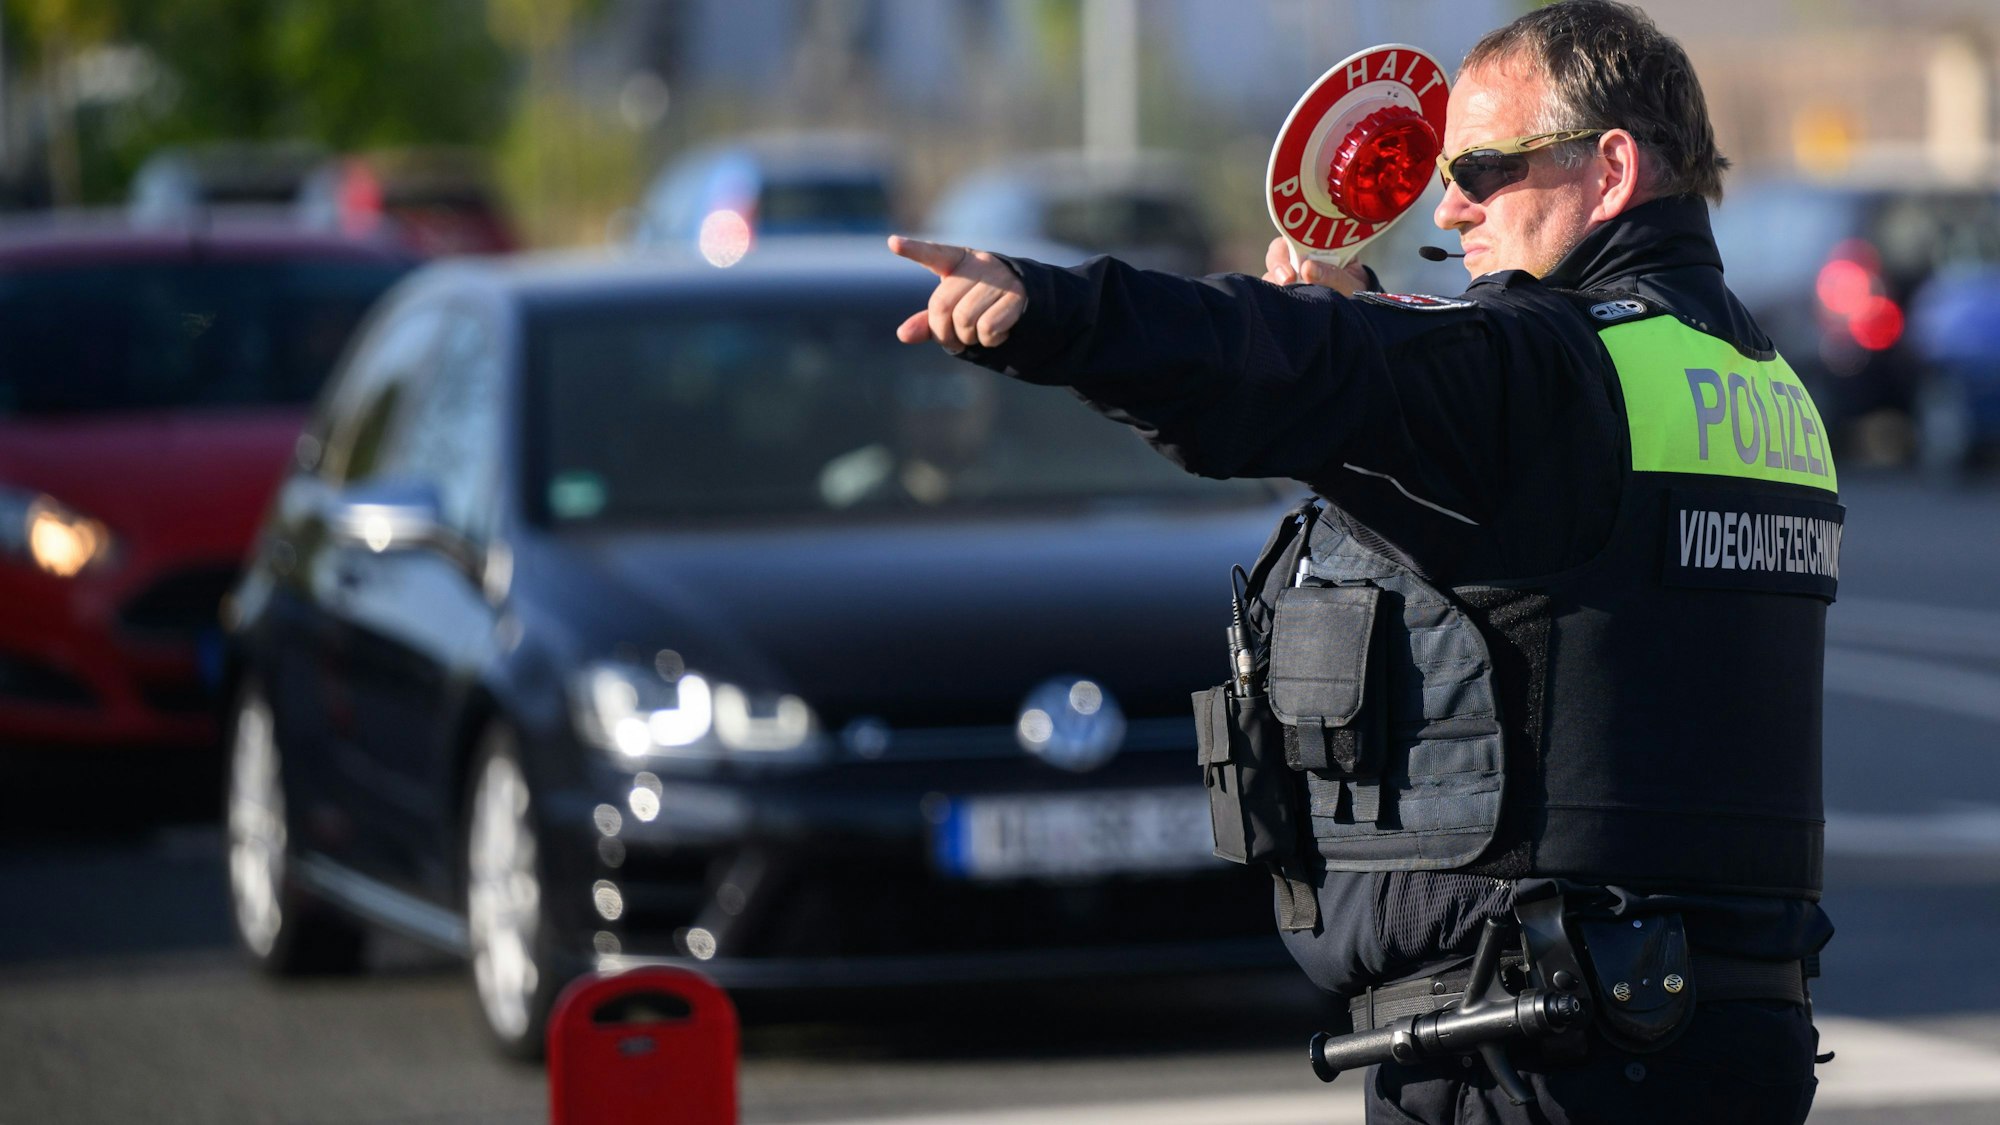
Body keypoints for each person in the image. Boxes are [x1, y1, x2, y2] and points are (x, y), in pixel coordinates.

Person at [888, 2, 1836, 1121]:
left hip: (1538, 1059)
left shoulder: (1555, 378)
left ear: (1611, 166)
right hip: (1717, 1034)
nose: (1449, 207)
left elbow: (1306, 367)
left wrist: (1057, 312)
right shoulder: (1754, 382)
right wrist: (1369, 345)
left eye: (1482, 170)